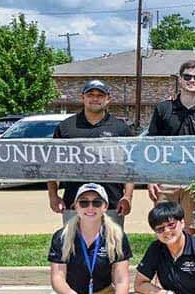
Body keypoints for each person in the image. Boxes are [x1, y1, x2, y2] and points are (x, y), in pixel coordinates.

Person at [146, 60, 195, 233]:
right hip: (165, 179)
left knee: (194, 229)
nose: (192, 81)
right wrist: (151, 177)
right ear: (180, 80)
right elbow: (150, 145)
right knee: (164, 226)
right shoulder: (163, 109)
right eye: (187, 76)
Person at [48, 79, 134, 228]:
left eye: (100, 95)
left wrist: (127, 197)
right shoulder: (66, 127)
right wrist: (53, 196)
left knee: (112, 247)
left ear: (108, 99)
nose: (95, 98)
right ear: (83, 98)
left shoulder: (121, 129)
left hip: (112, 203)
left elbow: (130, 167)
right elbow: (52, 165)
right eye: (90, 95)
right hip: (73, 202)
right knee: (73, 247)